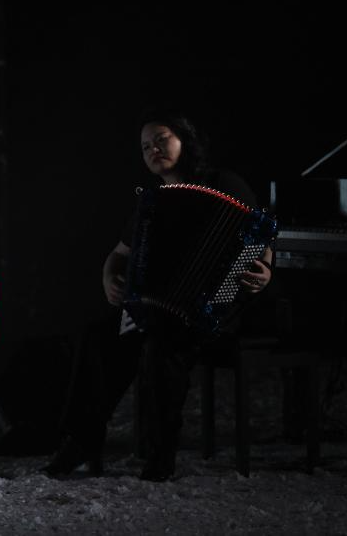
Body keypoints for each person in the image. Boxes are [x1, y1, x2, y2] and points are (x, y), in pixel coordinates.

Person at [43, 112, 273, 481]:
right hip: (159, 311)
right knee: (98, 338)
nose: (154, 149)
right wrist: (108, 278)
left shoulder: (224, 182)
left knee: (161, 344)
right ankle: (81, 442)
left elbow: (260, 235)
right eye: (146, 146)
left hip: (217, 311)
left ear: (184, 139)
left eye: (161, 139)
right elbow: (118, 254)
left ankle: (160, 454)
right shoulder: (151, 203)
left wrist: (266, 268)